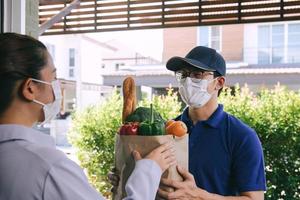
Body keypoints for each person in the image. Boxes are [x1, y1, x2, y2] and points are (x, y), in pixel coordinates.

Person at [0, 32, 176, 200]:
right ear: (30, 88)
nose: (57, 87)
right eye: (53, 78)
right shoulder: (48, 167)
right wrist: (148, 171)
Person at [156, 46, 266, 200]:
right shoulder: (165, 129)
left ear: (219, 83)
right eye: (183, 74)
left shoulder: (242, 136)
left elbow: (255, 198)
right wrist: (130, 175)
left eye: (196, 74)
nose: (187, 81)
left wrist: (199, 196)